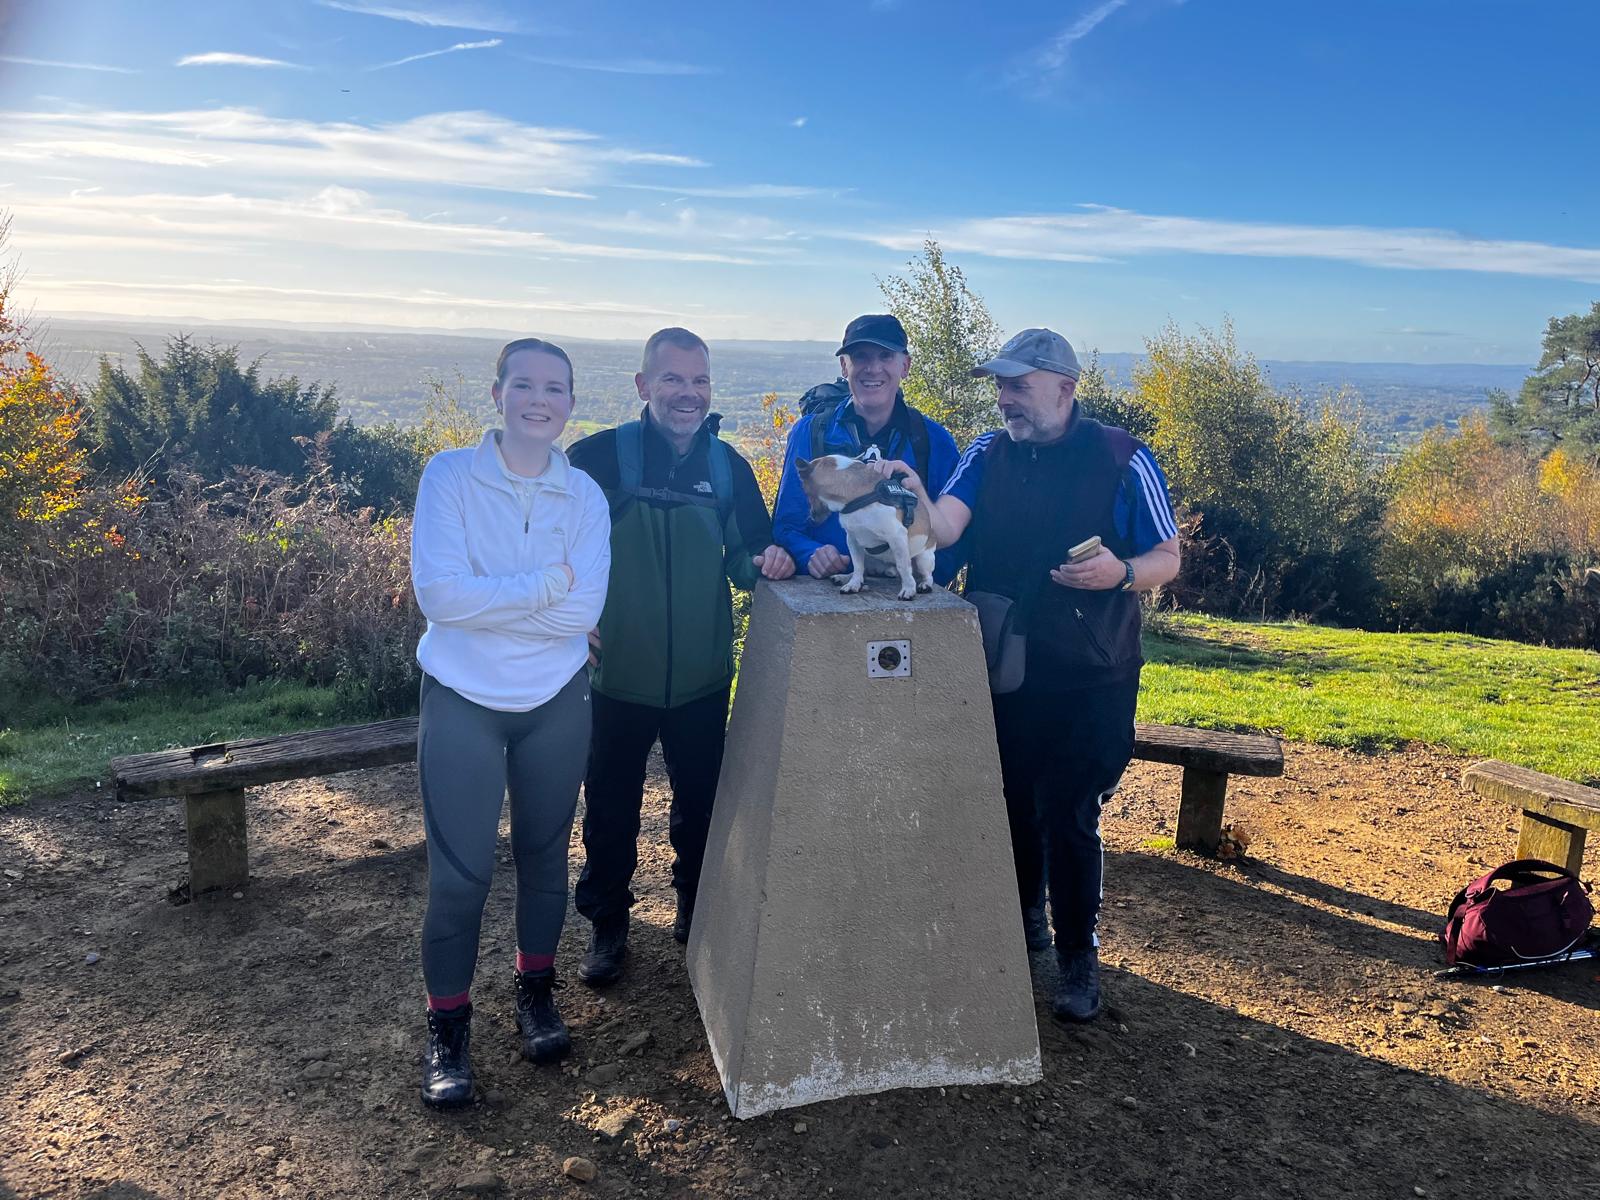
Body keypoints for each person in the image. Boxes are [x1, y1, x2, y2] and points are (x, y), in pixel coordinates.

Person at [875, 328, 1180, 1024]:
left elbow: (1167, 556)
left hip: (1092, 673)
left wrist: (1122, 573)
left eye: (1018, 385)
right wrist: (915, 495)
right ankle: (1022, 925)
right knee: (1010, 800)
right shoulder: (987, 453)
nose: (1005, 398)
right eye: (1000, 386)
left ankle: (1077, 957)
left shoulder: (1122, 457)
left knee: (1069, 813)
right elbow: (944, 529)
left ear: (1065, 388)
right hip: (1004, 666)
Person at [409, 337, 611, 1108]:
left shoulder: (584, 496)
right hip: (463, 695)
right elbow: (440, 597)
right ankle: (448, 1030)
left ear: (570, 403)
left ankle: (536, 993)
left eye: (555, 389)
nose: (539, 400)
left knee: (544, 858)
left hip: (555, 697)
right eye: (524, 384)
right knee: (460, 877)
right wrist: (546, 587)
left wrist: (496, 601)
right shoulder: (450, 475)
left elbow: (582, 612)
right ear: (497, 395)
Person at [567, 327, 795, 986]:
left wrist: (771, 561)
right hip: (616, 674)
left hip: (701, 676)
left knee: (702, 803)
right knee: (610, 806)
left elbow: (746, 557)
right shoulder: (597, 458)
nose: (687, 393)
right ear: (644, 385)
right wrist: (562, 622)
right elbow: (549, 547)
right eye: (672, 379)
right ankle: (608, 922)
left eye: (699, 380)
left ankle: (697, 907)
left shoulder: (728, 467)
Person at [772, 314, 961, 583]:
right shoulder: (811, 432)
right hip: (827, 592)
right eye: (860, 356)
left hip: (908, 600)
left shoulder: (933, 441)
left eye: (886, 356)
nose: (873, 368)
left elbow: (952, 536)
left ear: (905, 366)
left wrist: (922, 576)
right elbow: (786, 525)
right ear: (844, 366)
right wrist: (811, 554)